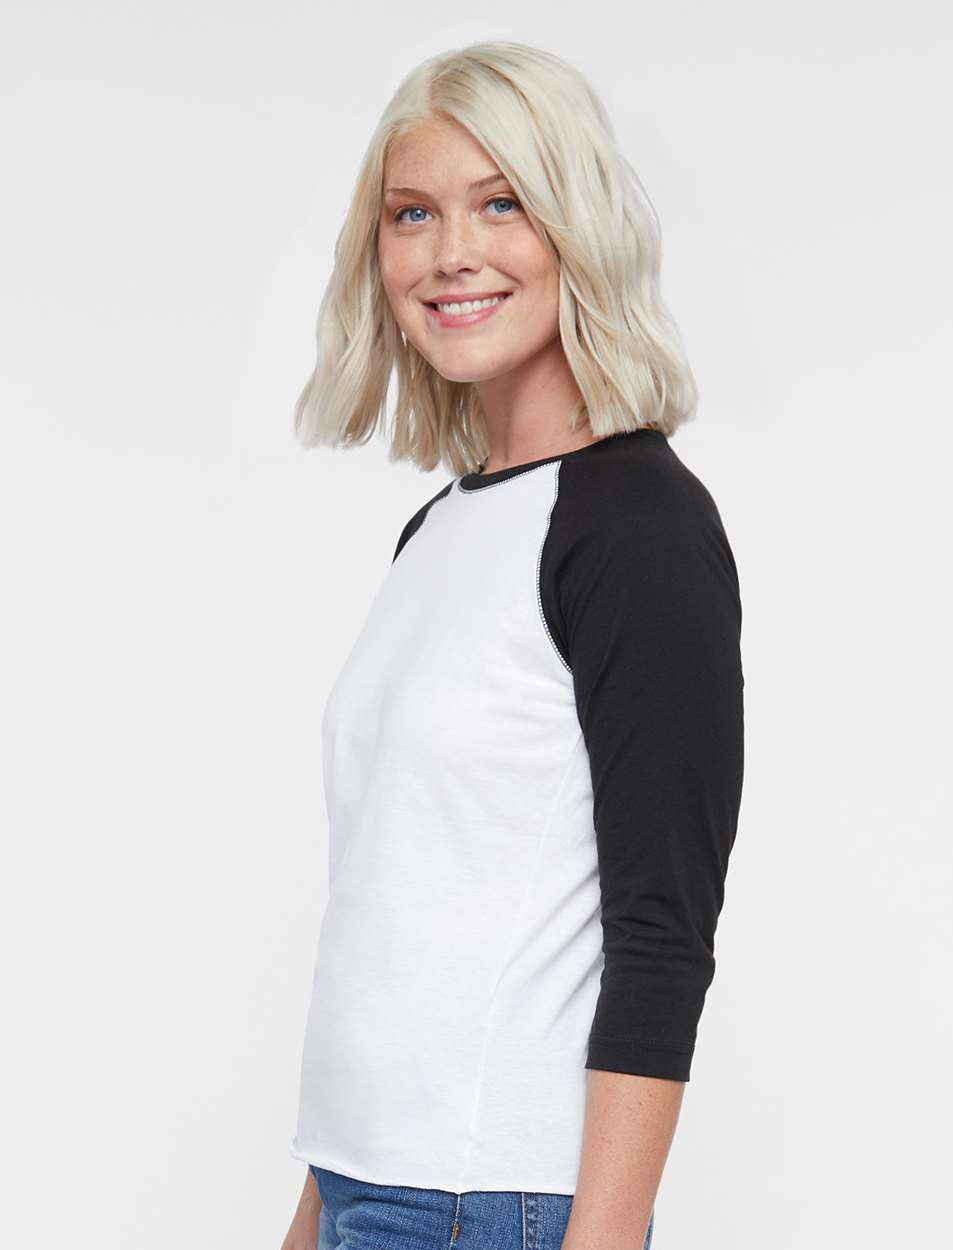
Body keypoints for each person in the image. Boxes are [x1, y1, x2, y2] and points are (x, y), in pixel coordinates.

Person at [280, 39, 745, 1250]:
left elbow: (663, 933)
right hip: (367, 1184)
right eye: (412, 213)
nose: (450, 252)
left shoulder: (637, 526)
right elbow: (399, 907)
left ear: (575, 227)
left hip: (491, 1206)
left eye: (500, 203)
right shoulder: (438, 529)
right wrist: (317, 1208)